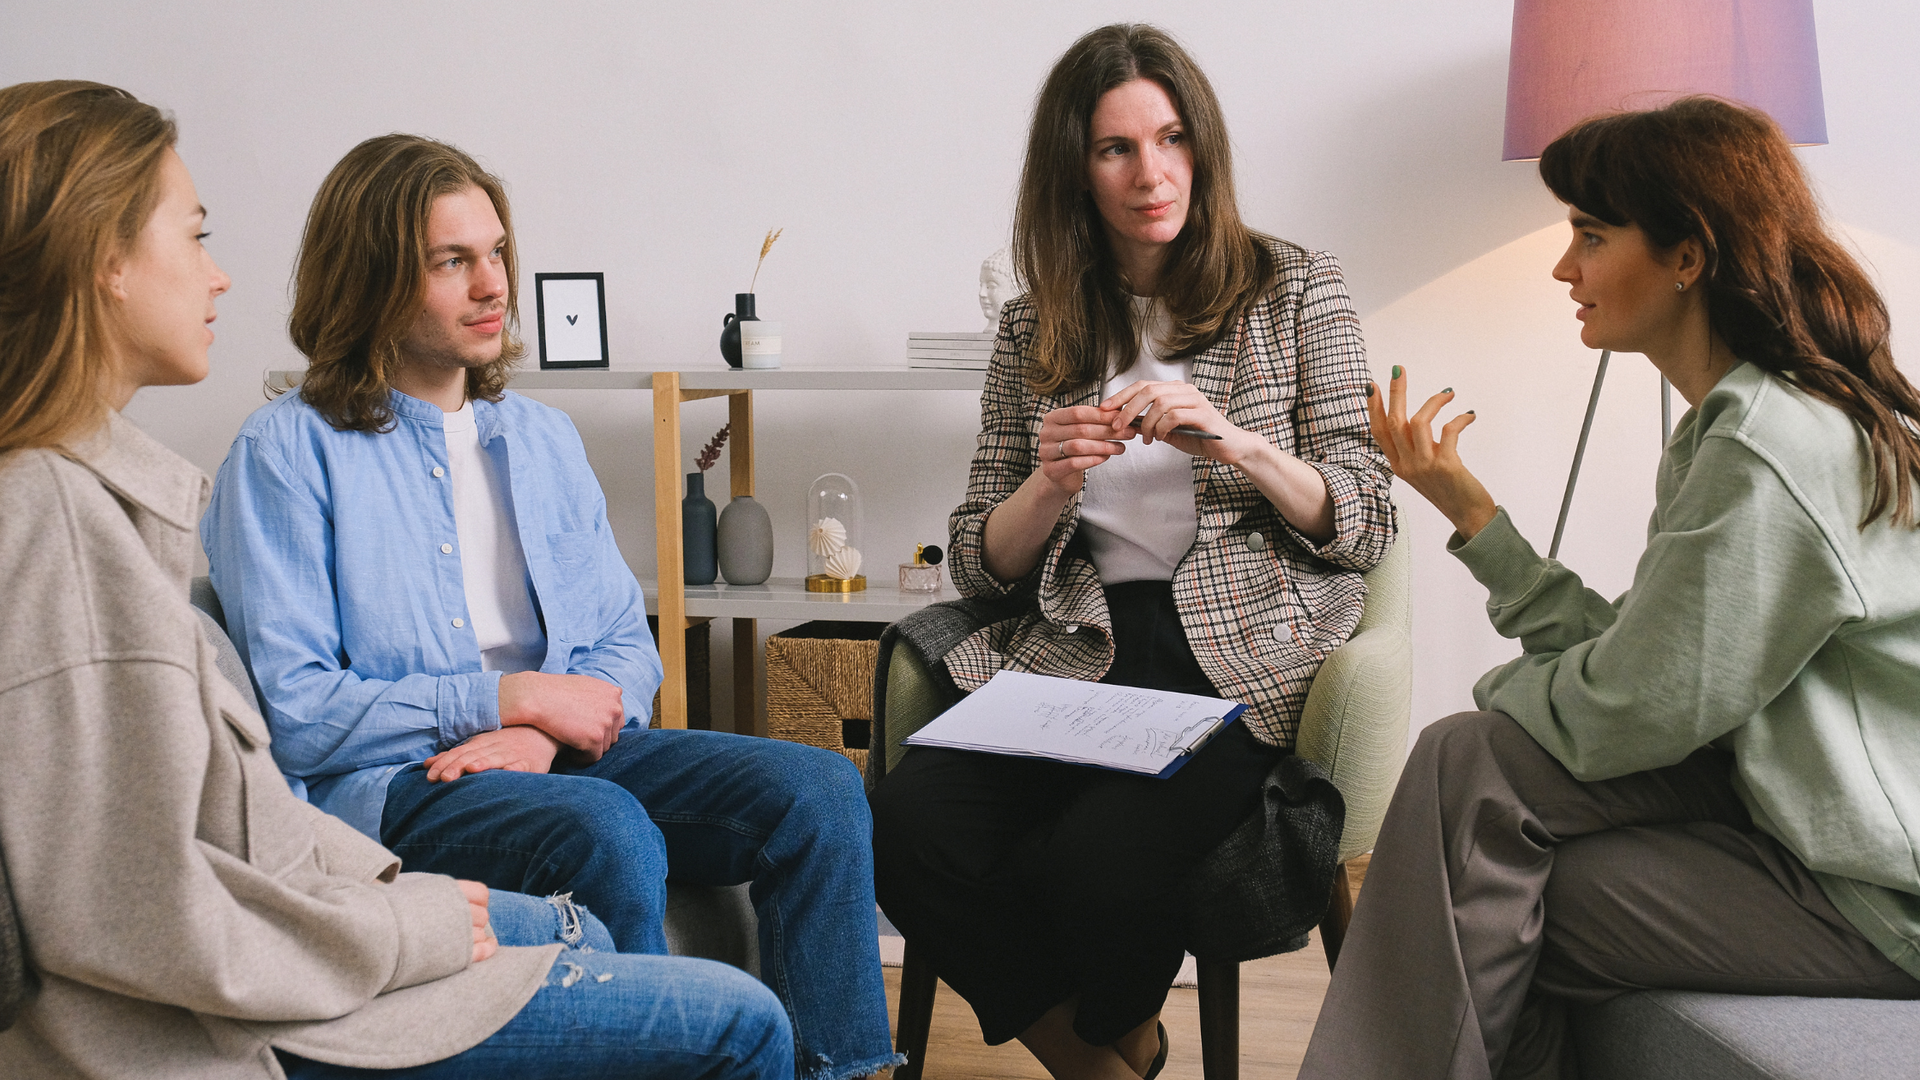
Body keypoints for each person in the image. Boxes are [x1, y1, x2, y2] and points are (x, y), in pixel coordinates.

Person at [0, 79, 793, 1080]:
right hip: (251, 998)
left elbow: (219, 832)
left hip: (341, 884)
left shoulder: (108, 500)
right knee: (717, 994)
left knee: (796, 797)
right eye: (195, 236)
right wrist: (402, 916)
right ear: (104, 262)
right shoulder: (70, 521)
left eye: (495, 252)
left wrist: (529, 740)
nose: (220, 277)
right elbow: (146, 905)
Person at [199, 132, 898, 1080]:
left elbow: (620, 642)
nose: (493, 285)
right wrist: (509, 701)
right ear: (369, 279)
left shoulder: (539, 437)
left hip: (554, 751)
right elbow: (298, 713)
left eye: (496, 255)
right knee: (600, 827)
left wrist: (543, 735)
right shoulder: (287, 451)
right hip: (400, 787)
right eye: (453, 262)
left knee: (818, 792)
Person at [1299, 97, 1920, 1080]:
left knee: (1480, 793)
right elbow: (1650, 668)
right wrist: (1475, 518)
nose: (1563, 267)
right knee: (1487, 844)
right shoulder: (1740, 423)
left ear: (1689, 256)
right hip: (1788, 823)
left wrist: (1498, 692)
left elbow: (1634, 706)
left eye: (1590, 234)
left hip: (1878, 900)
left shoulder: (1772, 443)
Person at [867, 24, 1396, 1080]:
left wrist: (1236, 443)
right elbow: (979, 563)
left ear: (1201, 147)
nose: (1151, 174)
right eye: (1116, 149)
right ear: (1074, 169)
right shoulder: (1034, 330)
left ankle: (1111, 1041)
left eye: (1169, 139)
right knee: (900, 823)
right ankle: (1107, 1059)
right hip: (1077, 650)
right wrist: (1048, 480)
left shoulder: (1296, 288)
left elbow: (1368, 521)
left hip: (1237, 659)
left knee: (1096, 868)